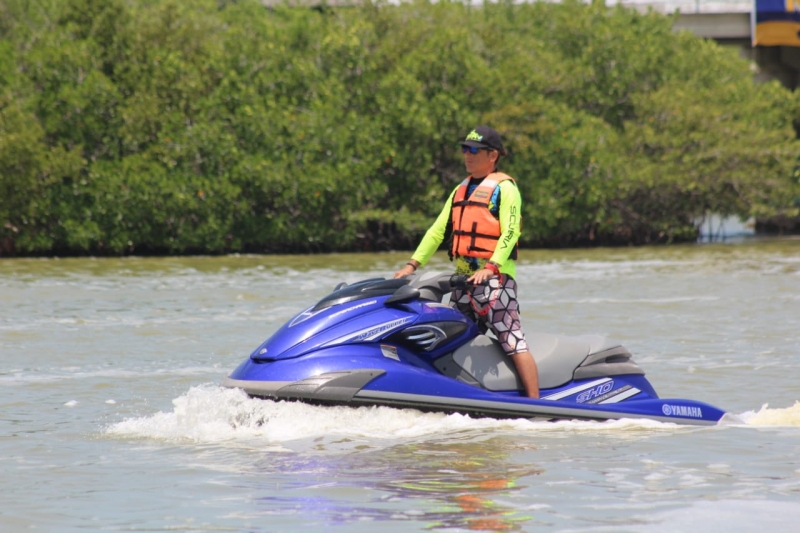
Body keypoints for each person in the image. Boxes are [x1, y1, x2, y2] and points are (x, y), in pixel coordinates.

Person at [393, 125, 540, 398]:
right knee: (447, 342)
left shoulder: (505, 189)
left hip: (495, 282)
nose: (467, 155)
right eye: (464, 149)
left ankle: (537, 405)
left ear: (493, 155)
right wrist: (412, 265)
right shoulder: (461, 189)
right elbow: (437, 230)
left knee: (512, 341)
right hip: (462, 283)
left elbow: (511, 232)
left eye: (474, 150)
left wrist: (491, 267)